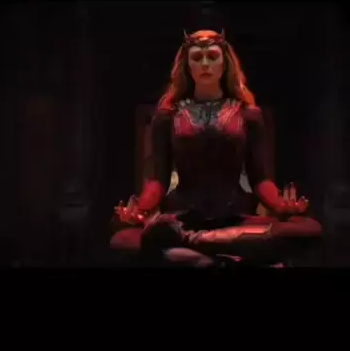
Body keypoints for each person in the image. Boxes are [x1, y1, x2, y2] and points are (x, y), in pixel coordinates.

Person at [110, 29, 322, 266]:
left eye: (212, 57)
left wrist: (282, 205)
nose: (205, 64)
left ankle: (193, 243)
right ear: (187, 66)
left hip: (234, 216)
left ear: (225, 63)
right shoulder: (168, 116)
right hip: (182, 216)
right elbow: (158, 180)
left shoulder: (248, 114)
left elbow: (260, 178)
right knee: (123, 240)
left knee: (308, 229)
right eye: (197, 58)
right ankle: (226, 252)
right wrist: (139, 210)